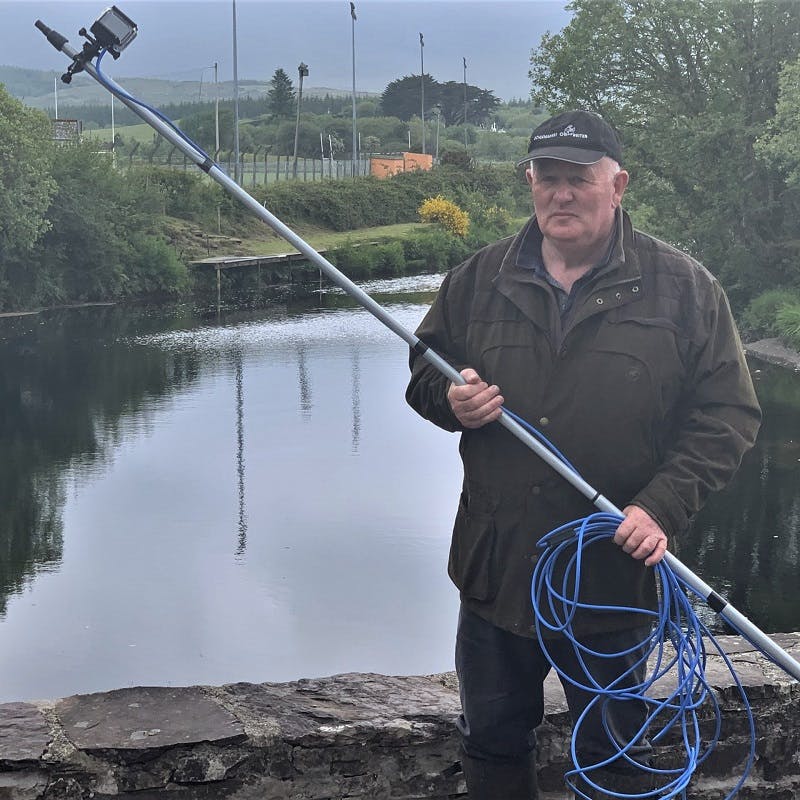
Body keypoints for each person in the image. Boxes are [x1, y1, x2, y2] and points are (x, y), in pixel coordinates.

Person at [405, 110, 761, 799]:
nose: (560, 194)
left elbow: (728, 417)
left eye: (578, 178)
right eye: (547, 177)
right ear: (529, 181)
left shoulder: (686, 291)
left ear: (618, 183)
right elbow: (424, 370)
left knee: (615, 761)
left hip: (613, 581)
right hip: (496, 572)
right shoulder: (477, 279)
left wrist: (660, 507)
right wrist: (450, 402)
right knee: (492, 744)